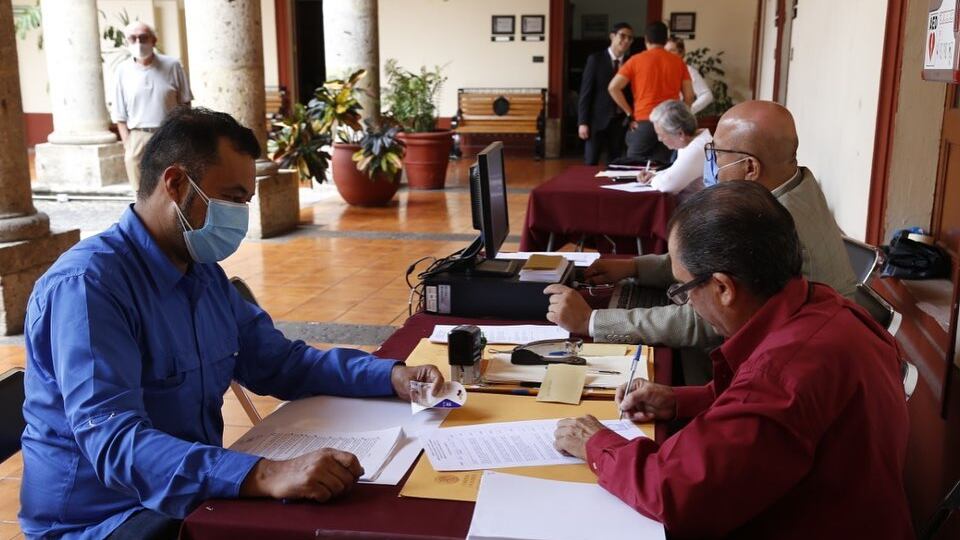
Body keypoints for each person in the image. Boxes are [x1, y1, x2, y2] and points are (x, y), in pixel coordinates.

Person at [19, 108, 444, 539]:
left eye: (245, 202)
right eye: (232, 199)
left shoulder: (202, 274)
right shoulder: (89, 288)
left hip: (191, 498)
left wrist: (390, 377)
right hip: (105, 520)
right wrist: (266, 474)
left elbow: (280, 363)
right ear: (176, 184)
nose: (239, 216)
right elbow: (114, 442)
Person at [553, 181, 912, 538]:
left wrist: (596, 444)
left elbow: (677, 492)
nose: (687, 302)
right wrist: (680, 400)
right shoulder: (826, 305)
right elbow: (768, 414)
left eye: (684, 289)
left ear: (723, 288)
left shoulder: (778, 377)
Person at [544, 101, 858, 351]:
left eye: (717, 154)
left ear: (750, 167)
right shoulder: (798, 183)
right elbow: (708, 261)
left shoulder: (769, 223)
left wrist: (592, 322)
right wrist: (633, 267)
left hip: (784, 360)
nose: (713, 165)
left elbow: (702, 320)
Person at [112, 21, 192, 192]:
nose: (138, 43)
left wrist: (182, 134)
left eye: (143, 37)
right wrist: (127, 143)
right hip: (138, 134)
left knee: (171, 182)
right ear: (126, 42)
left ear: (154, 40)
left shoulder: (172, 65)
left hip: (168, 132)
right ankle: (142, 208)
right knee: (139, 186)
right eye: (133, 38)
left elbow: (185, 103)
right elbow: (119, 114)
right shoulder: (122, 70)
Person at [609, 21, 694, 165]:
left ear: (646, 40)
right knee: (663, 166)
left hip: (644, 121)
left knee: (633, 165)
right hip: (669, 122)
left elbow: (613, 87)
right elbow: (689, 96)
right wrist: (679, 118)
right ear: (666, 40)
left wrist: (629, 113)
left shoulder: (635, 60)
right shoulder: (678, 62)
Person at [577, 22, 634, 165]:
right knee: (590, 161)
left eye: (630, 38)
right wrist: (582, 122)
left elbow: (632, 93)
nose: (626, 40)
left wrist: (632, 117)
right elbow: (586, 92)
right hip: (596, 120)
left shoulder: (631, 62)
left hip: (620, 121)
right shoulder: (595, 59)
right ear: (612, 36)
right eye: (623, 36)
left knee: (615, 163)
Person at [636, 100, 711, 197]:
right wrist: (654, 175)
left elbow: (666, 185)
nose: (659, 139)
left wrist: (653, 179)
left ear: (680, 134)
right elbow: (675, 170)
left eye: (661, 135)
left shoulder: (697, 148)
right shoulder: (693, 141)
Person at [665, 37, 714, 115]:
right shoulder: (660, 70)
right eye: (665, 51)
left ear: (681, 53)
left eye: (672, 50)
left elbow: (707, 95)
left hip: (678, 118)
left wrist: (689, 110)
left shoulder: (689, 71)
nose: (667, 54)